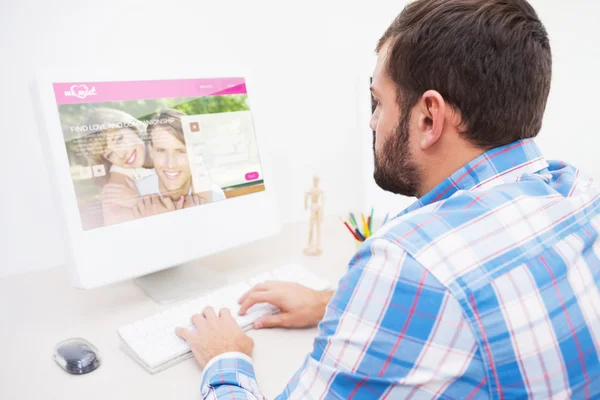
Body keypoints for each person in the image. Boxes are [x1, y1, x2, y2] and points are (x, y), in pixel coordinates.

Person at [175, 0, 600, 398]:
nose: (374, 122)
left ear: (429, 117)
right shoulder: (579, 191)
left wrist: (224, 356)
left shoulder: (412, 261)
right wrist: (331, 304)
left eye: (377, 102)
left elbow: (440, 283)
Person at [133, 109, 226, 217]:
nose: (170, 164)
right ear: (151, 150)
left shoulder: (214, 196)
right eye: (161, 150)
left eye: (180, 151)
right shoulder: (135, 194)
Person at [81, 108, 154, 224]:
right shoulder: (120, 172)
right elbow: (114, 221)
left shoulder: (167, 139)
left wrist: (140, 204)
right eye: (109, 154)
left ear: (131, 127)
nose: (121, 154)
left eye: (119, 139)